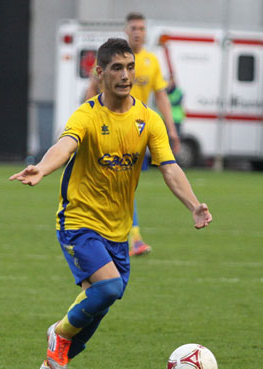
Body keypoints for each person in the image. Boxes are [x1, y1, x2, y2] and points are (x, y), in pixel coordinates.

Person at [9, 38, 212, 369]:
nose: (125, 75)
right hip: (79, 221)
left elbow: (170, 168)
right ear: (99, 73)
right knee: (108, 288)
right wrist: (42, 168)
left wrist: (194, 204)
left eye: (130, 67)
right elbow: (65, 145)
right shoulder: (87, 114)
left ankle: (54, 365)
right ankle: (58, 336)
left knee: (102, 302)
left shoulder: (148, 120)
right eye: (117, 68)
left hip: (117, 232)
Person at [85, 12, 181, 257]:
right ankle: (129, 237)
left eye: (141, 28)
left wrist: (171, 129)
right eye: (134, 28)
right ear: (126, 31)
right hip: (111, 128)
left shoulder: (151, 61)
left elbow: (161, 96)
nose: (138, 32)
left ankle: (117, 235)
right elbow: (93, 89)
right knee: (120, 183)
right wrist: (87, 123)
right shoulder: (112, 59)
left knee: (124, 184)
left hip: (139, 130)